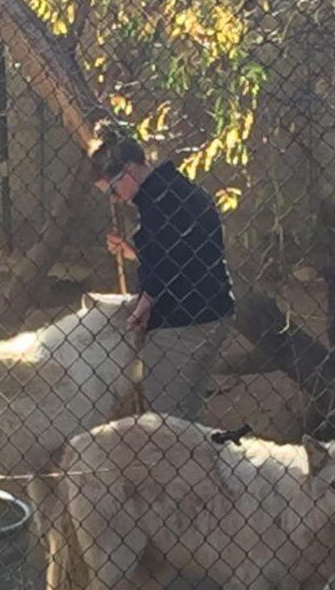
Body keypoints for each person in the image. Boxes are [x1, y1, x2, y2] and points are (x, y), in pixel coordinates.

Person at [89, 121, 235, 421]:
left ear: (129, 170)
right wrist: (134, 252)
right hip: (211, 310)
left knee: (166, 421)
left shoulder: (160, 201)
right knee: (186, 413)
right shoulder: (173, 189)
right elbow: (175, 252)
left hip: (184, 320)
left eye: (114, 189)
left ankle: (178, 464)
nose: (116, 198)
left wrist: (144, 305)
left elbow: (168, 263)